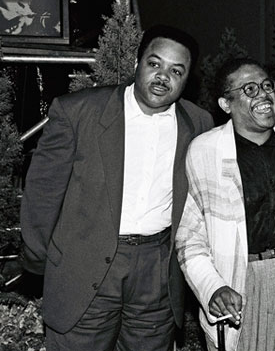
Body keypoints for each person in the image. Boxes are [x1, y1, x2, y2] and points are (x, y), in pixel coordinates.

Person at [20, 24, 214, 350]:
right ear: (138, 63)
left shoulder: (198, 123)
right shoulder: (79, 112)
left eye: (176, 70)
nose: (163, 76)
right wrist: (41, 259)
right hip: (85, 264)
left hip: (157, 270)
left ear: (187, 79)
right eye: (155, 64)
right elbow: (43, 192)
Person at [176, 58, 275, 351]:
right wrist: (213, 287)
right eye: (249, 89)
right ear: (225, 103)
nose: (263, 94)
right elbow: (189, 237)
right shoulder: (205, 151)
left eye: (267, 85)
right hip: (239, 282)